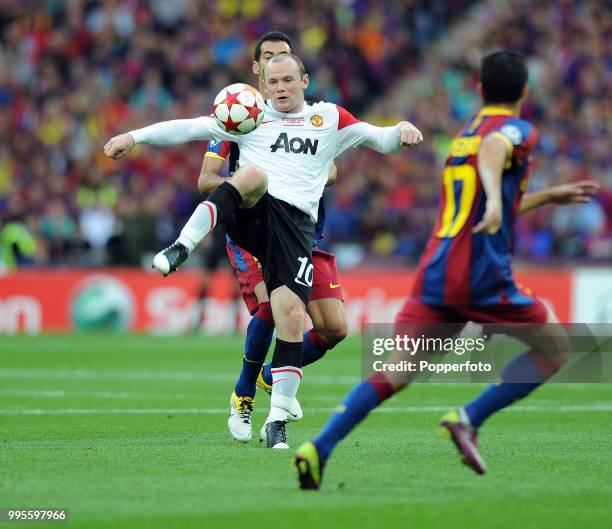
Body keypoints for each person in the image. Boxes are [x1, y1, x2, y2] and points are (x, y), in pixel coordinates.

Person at [294, 50, 600, 488]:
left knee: (395, 372)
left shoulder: (463, 137)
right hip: (481, 272)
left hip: (435, 271)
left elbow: (479, 197)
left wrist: (544, 197)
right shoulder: (513, 131)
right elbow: (497, 153)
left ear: (478, 89)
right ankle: (468, 418)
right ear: (525, 93)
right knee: (556, 348)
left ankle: (318, 448)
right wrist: (496, 199)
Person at [103, 52, 424, 448]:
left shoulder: (330, 118)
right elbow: (188, 127)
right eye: (273, 83)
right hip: (255, 215)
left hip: (296, 231)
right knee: (252, 175)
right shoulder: (250, 116)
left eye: (288, 80)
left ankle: (276, 422)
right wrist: (133, 137)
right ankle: (182, 244)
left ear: (304, 80)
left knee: (291, 318)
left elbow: (380, 137)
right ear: (264, 86)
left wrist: (403, 129)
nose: (280, 89)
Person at [199, 31, 348, 444]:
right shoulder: (236, 117)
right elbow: (206, 180)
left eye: (285, 59)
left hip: (304, 229)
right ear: (257, 72)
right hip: (256, 230)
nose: (277, 67)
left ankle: (269, 376)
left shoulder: (311, 118)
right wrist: (251, 185)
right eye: (269, 59)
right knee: (274, 304)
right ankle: (244, 393)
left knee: (334, 329)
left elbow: (332, 171)